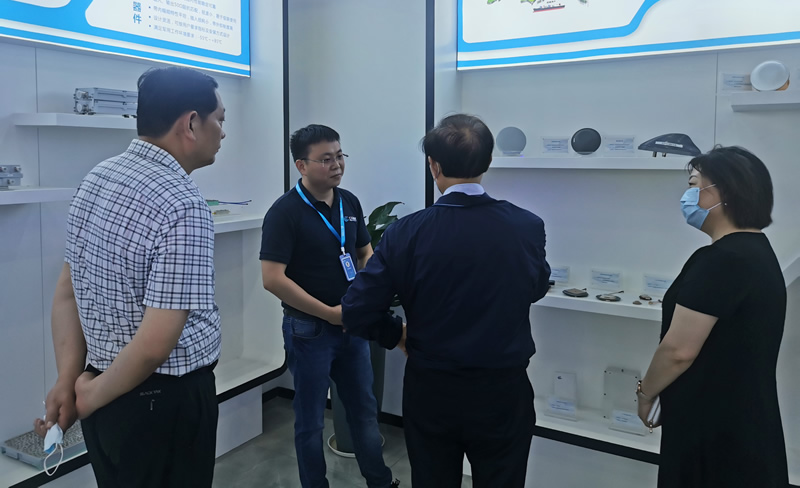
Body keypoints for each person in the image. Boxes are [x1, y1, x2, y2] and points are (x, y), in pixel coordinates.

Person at [34, 66, 226, 487]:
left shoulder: (97, 177)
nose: (223, 132)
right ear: (191, 123)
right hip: (162, 404)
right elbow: (155, 344)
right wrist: (89, 395)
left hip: (103, 390)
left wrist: (69, 381)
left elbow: (67, 291)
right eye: (220, 119)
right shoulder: (184, 203)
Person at [341, 113, 551, 488]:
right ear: (487, 162)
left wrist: (396, 333)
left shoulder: (406, 232)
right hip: (503, 389)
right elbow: (535, 287)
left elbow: (357, 310)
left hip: (432, 389)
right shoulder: (526, 225)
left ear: (433, 166)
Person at [637, 146, 788, 488]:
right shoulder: (756, 252)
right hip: (742, 417)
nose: (687, 196)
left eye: (694, 185)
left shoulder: (723, 260)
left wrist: (645, 394)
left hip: (712, 425)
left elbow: (678, 351)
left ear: (725, 192)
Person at [260, 124, 397, 488]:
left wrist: (365, 297)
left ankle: (380, 481)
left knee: (364, 412)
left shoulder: (349, 202)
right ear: (301, 165)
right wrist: (330, 313)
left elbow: (364, 252)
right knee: (310, 422)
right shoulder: (285, 212)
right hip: (309, 331)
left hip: (352, 327)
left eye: (339, 156)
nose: (336, 165)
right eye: (325, 159)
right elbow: (272, 278)